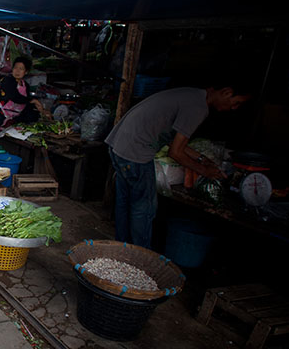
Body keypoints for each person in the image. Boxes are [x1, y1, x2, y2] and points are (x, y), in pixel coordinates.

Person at [105, 84, 251, 249]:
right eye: (236, 102)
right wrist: (205, 171)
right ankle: (139, 255)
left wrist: (202, 159)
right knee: (144, 208)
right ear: (226, 92)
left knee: (125, 202)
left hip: (118, 145)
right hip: (136, 153)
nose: (234, 108)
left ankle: (120, 249)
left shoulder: (191, 95)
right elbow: (175, 152)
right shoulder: (198, 107)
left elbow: (173, 140)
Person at [0, 57, 46, 152]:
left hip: (13, 113)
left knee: (32, 115)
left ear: (26, 72)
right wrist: (33, 101)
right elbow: (14, 96)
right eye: (16, 68)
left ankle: (11, 121)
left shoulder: (26, 85)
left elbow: (25, 101)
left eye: (21, 69)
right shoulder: (7, 80)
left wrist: (40, 110)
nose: (17, 71)